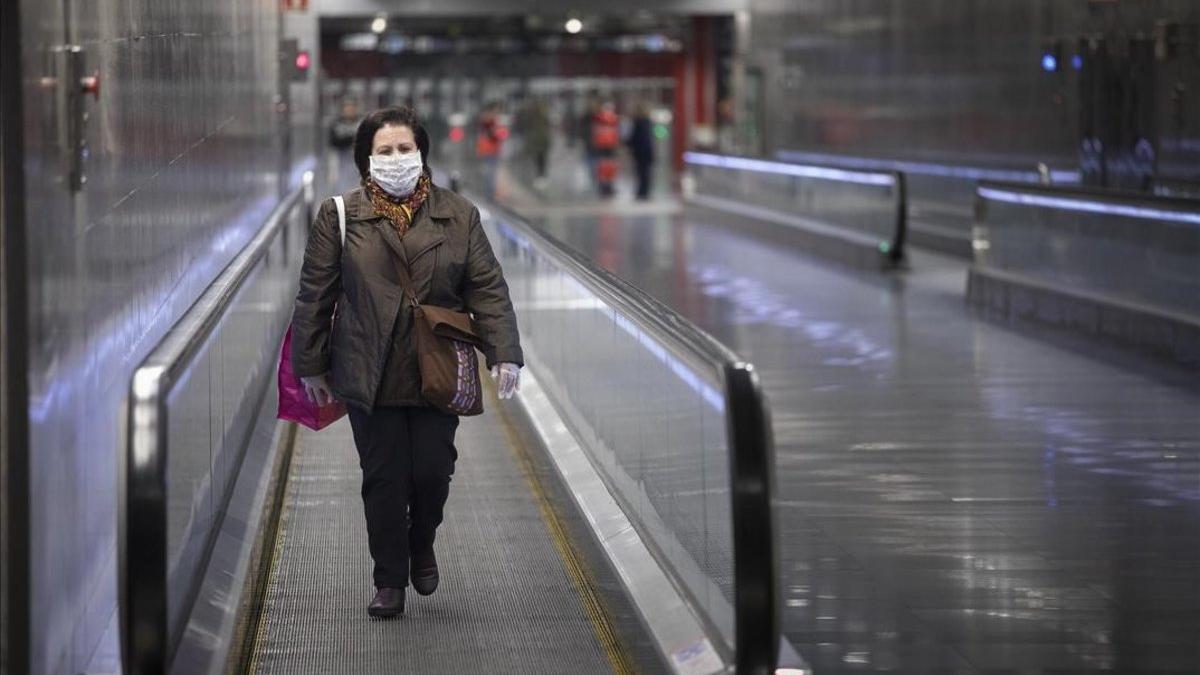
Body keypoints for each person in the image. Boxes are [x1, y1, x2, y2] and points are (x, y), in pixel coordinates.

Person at [289, 106, 523, 619]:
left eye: (405, 149)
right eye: (385, 151)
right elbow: (315, 295)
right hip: (365, 367)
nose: (397, 159)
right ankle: (389, 579)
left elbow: (486, 287)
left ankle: (422, 542)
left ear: (421, 153)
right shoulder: (340, 215)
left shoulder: (457, 214)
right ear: (366, 160)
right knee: (384, 478)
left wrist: (504, 352)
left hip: (435, 365)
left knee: (432, 473)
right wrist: (310, 365)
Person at [626, 103, 655, 200]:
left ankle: (642, 191)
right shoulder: (648, 122)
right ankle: (644, 190)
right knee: (645, 171)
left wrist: (628, 144)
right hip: (647, 151)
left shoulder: (638, 122)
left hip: (640, 151)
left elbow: (635, 137)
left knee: (641, 171)